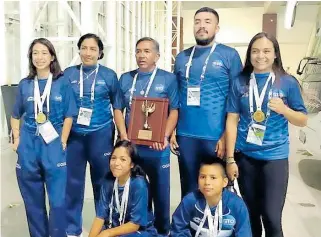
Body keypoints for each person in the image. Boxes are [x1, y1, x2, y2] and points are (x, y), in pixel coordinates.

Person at [225, 32, 308, 237]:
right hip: (246, 157)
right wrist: (229, 159)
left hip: (275, 158)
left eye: (266, 51)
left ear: (275, 55)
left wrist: (285, 110)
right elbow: (232, 120)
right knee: (251, 214)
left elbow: (303, 119)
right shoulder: (240, 82)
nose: (260, 56)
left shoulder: (287, 82)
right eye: (255, 51)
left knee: (271, 216)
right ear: (249, 54)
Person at [170, 7, 243, 198]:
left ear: (217, 28)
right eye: (197, 21)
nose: (201, 26)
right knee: (189, 189)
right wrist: (171, 131)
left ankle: (214, 227)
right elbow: (174, 98)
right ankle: (190, 227)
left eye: (207, 22)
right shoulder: (181, 58)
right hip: (186, 135)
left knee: (216, 191)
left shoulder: (229, 55)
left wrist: (226, 136)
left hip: (215, 136)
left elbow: (237, 99)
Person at [11, 38, 77, 237]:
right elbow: (15, 115)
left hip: (54, 143)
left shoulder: (62, 83)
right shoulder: (25, 84)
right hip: (29, 144)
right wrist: (16, 140)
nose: (39, 57)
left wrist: (64, 140)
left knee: (57, 200)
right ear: (31, 58)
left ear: (52, 57)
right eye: (35, 53)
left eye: (44, 53)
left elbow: (69, 115)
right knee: (32, 200)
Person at [64, 33, 127, 237]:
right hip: (75, 136)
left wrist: (123, 136)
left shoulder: (109, 75)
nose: (88, 52)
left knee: (102, 182)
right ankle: (72, 229)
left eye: (93, 49)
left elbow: (117, 107)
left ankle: (106, 227)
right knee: (73, 183)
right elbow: (61, 106)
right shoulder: (68, 74)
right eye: (84, 48)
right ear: (79, 50)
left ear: (100, 53)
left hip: (100, 135)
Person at [119, 37, 179, 236]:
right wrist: (124, 136)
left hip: (157, 148)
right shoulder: (126, 79)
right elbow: (119, 109)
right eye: (138, 51)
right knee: (137, 190)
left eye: (146, 51)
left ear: (157, 56)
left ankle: (163, 231)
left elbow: (174, 110)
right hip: (133, 148)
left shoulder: (168, 79)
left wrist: (164, 136)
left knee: (161, 193)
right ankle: (142, 229)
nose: (141, 55)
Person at [88, 140, 157, 237]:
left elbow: (135, 225)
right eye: (113, 158)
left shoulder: (139, 184)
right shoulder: (108, 181)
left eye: (123, 159)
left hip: (139, 232)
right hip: (115, 228)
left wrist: (108, 233)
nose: (116, 163)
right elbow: (100, 217)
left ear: (132, 164)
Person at [171, 157, 252, 237]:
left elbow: (244, 233)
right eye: (203, 177)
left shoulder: (237, 205)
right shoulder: (189, 201)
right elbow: (177, 230)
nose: (207, 182)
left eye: (213, 178)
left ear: (224, 182)